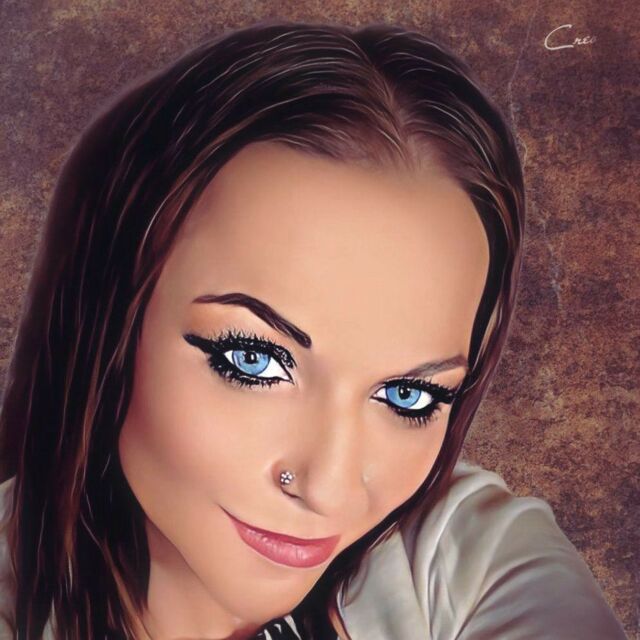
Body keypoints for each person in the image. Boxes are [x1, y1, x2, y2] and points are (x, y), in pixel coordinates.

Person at [0, 21, 627, 640]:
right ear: (111, 315)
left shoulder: (463, 557)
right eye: (253, 361)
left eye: (408, 395)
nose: (329, 487)